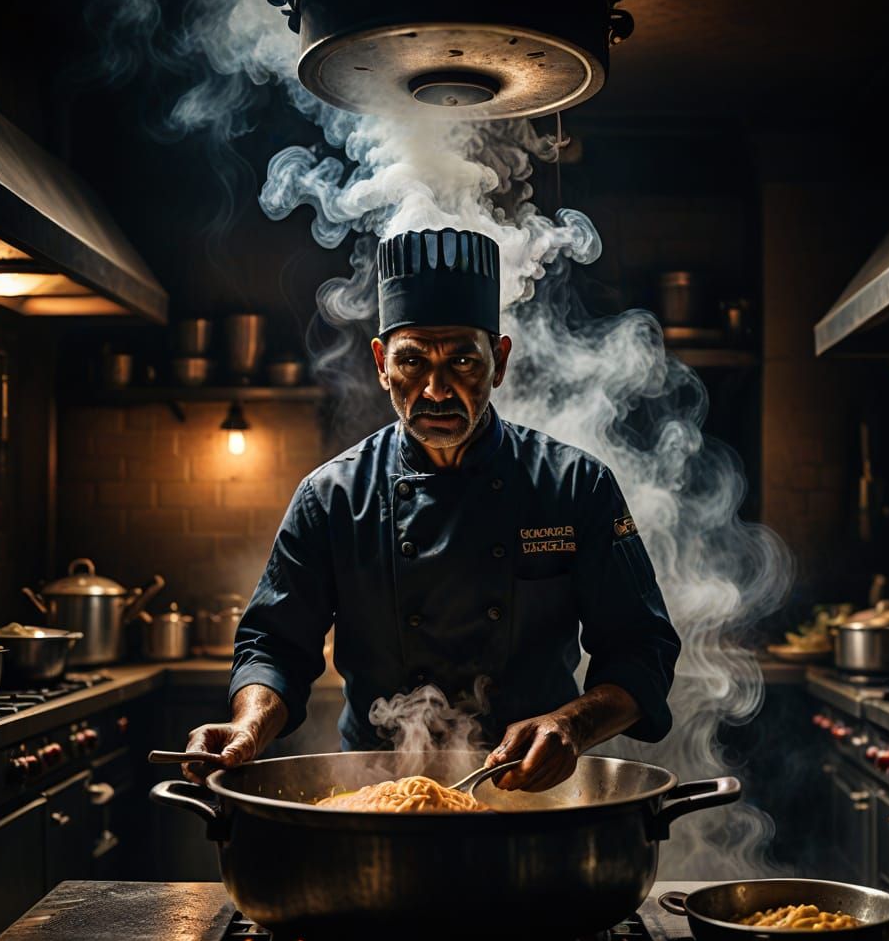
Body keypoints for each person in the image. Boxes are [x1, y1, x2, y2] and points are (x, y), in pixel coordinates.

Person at [184, 228, 680, 792]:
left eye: (464, 362)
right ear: (380, 362)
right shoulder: (331, 497)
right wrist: (249, 725)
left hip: (531, 798)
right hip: (376, 800)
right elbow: (274, 645)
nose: (437, 389)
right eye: (413, 361)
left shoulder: (575, 485)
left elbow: (642, 650)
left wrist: (570, 724)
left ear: (500, 359)